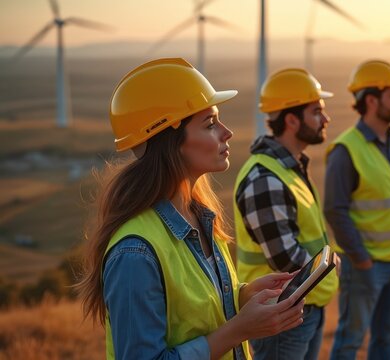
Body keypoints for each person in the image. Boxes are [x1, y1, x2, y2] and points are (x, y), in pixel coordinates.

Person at [77, 58, 305, 360]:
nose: (227, 133)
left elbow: (190, 316)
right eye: (210, 124)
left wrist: (242, 295)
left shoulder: (202, 216)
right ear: (171, 142)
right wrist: (239, 329)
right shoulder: (134, 253)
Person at [233, 68, 339, 360]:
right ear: (291, 120)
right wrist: (331, 267)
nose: (325, 119)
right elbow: (285, 258)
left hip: (304, 304)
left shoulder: (290, 167)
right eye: (317, 111)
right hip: (281, 313)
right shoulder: (265, 177)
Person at [325, 59, 390, 360]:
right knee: (350, 341)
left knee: (387, 338)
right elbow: (335, 210)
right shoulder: (346, 150)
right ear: (371, 100)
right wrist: (362, 260)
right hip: (368, 265)